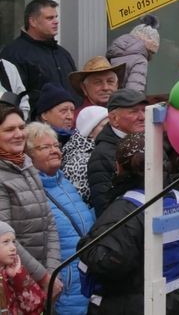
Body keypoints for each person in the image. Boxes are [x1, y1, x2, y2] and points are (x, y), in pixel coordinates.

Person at [79, 133, 179, 314]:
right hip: (174, 297)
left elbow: (109, 262)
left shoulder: (126, 207)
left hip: (132, 303)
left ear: (119, 166)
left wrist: (85, 245)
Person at [26, 121, 94, 315]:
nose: (55, 150)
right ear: (29, 156)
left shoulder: (64, 182)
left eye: (56, 145)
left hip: (85, 275)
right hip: (63, 280)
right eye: (45, 147)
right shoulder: (32, 189)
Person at [0, 105, 63, 302]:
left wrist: (52, 271)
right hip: (14, 282)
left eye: (21, 127)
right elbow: (4, 239)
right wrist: (43, 277)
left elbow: (49, 222)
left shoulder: (27, 165)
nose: (19, 134)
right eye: (10, 130)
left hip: (42, 277)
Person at [0, 0, 77, 111]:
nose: (56, 21)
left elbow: (75, 90)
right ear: (33, 21)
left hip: (69, 122)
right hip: (35, 124)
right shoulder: (14, 53)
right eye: (49, 18)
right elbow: (14, 98)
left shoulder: (63, 54)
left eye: (56, 17)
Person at [86, 87, 147, 214]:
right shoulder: (102, 155)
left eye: (144, 110)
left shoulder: (153, 142)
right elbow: (105, 208)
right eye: (134, 111)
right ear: (114, 119)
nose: (142, 117)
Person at [60, 106, 107, 202]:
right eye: (105, 126)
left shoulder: (98, 152)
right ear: (90, 132)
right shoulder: (80, 161)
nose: (110, 130)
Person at [105, 15, 159, 94]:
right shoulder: (140, 60)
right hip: (124, 103)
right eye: (151, 52)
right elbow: (134, 92)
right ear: (149, 48)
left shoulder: (114, 52)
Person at [0, 220, 45, 315]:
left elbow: (36, 307)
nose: (13, 247)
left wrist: (19, 277)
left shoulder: (12, 273)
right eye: (6, 242)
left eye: (13, 242)